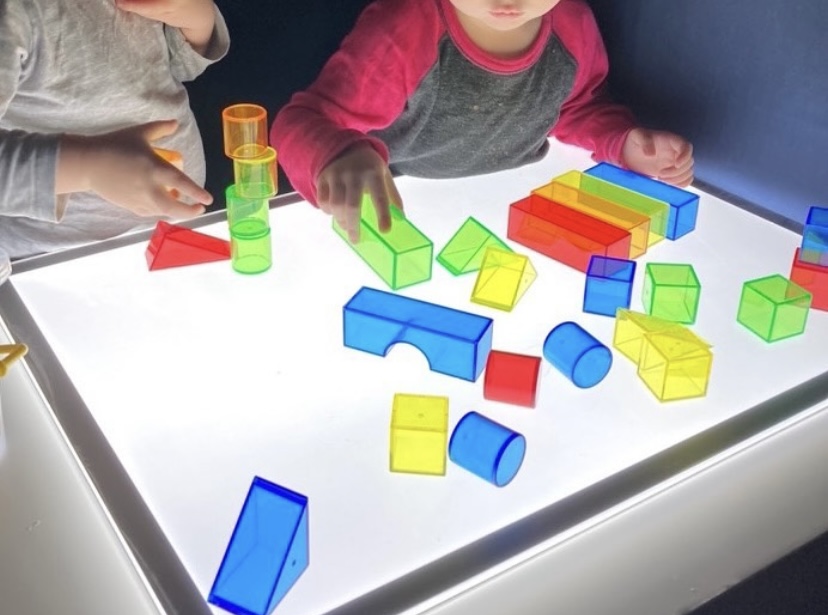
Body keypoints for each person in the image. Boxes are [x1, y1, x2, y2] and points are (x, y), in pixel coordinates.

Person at [271, 0, 694, 243]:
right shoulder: (405, 27)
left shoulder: (573, 23)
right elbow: (301, 120)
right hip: (405, 203)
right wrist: (336, 154)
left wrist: (621, 142)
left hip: (515, 206)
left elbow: (575, 104)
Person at [0, 0, 230, 260]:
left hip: (173, 231)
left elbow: (179, 66)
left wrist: (197, 18)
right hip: (56, 253)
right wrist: (88, 167)